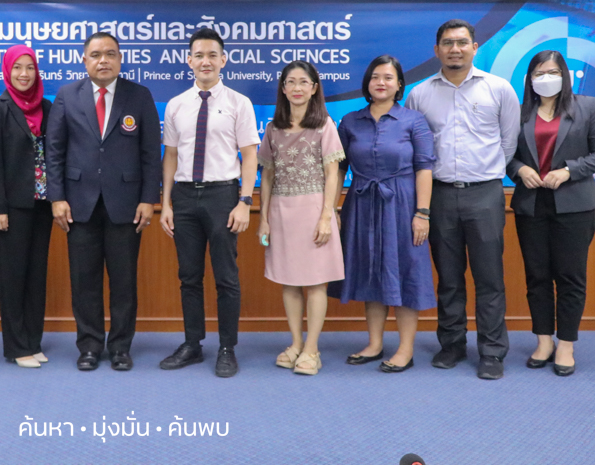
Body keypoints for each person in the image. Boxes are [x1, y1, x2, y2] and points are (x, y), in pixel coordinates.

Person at [405, 19, 520, 380]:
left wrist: (485, 173)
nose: (455, 49)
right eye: (447, 43)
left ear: (474, 47)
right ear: (436, 50)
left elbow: (508, 142)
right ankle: (451, 345)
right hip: (439, 195)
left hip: (484, 193)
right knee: (449, 277)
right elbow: (417, 151)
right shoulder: (420, 94)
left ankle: (491, 352)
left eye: (462, 42)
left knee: (489, 278)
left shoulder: (499, 89)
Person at [47, 32, 161, 372]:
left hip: (126, 204)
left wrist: (148, 199)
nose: (103, 60)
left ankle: (122, 347)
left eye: (110, 54)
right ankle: (90, 346)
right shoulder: (68, 95)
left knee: (124, 280)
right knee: (84, 280)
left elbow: (150, 153)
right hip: (78, 204)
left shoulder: (138, 95)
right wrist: (57, 198)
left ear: (120, 59)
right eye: (96, 54)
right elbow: (54, 151)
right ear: (84, 60)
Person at [159, 27, 259, 378]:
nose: (205, 61)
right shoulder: (176, 105)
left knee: (226, 277)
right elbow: (170, 156)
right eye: (199, 55)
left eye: (212, 55)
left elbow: (250, 155)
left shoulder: (238, 103)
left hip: (223, 196)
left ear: (223, 60)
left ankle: (227, 347)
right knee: (188, 276)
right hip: (184, 197)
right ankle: (192, 343)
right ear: (188, 61)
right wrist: (166, 203)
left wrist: (245, 201)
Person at [507, 50, 595, 376]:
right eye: (539, 73)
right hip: (531, 205)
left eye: (552, 71)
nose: (545, 78)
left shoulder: (587, 107)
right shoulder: (520, 112)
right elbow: (505, 155)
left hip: (574, 206)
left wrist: (569, 171)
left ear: (564, 74)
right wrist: (519, 169)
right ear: (530, 78)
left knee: (570, 276)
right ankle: (543, 341)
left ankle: (565, 343)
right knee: (537, 276)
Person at [334, 55, 436, 373]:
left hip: (403, 204)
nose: (381, 82)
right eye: (375, 76)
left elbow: (424, 168)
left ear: (399, 85)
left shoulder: (414, 121)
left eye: (388, 77)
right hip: (361, 203)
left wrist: (423, 213)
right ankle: (375, 343)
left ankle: (405, 348)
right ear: (367, 83)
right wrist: (332, 207)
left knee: (406, 271)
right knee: (370, 272)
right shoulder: (350, 121)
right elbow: (338, 167)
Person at [256, 61, 344, 376]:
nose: (297, 88)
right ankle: (295, 343)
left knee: (316, 282)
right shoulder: (273, 128)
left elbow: (333, 174)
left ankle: (312, 348)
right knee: (289, 281)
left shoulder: (324, 126)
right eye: (290, 82)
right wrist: (264, 217)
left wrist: (326, 216)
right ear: (283, 89)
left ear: (314, 88)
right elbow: (267, 174)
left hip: (314, 211)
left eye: (303, 82)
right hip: (281, 211)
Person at [0, 46, 53, 368]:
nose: (24, 74)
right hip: (11, 207)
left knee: (36, 276)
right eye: (17, 68)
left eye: (30, 68)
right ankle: (16, 346)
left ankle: (33, 341)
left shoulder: (48, 108)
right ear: (7, 72)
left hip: (42, 205)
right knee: (13, 277)